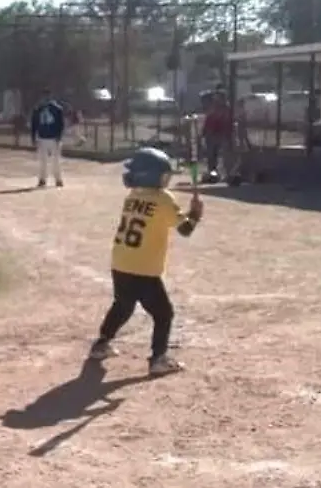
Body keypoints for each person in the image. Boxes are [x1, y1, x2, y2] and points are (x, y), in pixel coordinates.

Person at [88, 147, 203, 376]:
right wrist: (195, 214)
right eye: (163, 174)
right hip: (144, 270)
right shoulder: (162, 199)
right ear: (151, 176)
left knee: (123, 305)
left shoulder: (132, 197)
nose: (167, 178)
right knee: (164, 314)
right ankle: (158, 359)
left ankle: (101, 344)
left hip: (120, 262)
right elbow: (186, 230)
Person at [30, 89, 65, 187]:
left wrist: (59, 136)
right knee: (43, 160)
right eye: (44, 96)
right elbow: (34, 124)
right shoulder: (38, 109)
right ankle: (42, 179)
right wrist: (33, 137)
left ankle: (58, 179)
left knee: (56, 160)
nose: (45, 98)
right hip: (42, 137)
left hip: (54, 138)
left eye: (47, 96)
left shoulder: (57, 109)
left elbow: (61, 124)